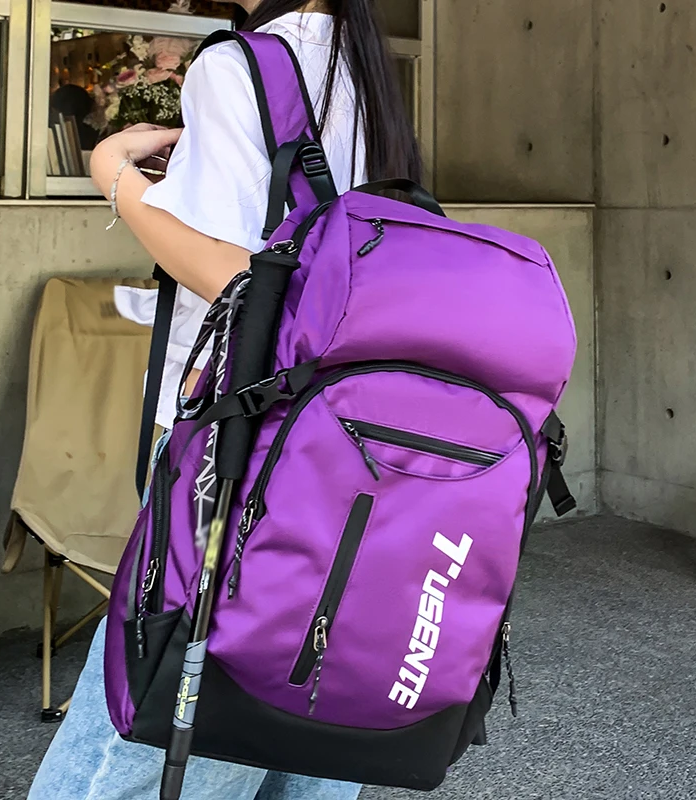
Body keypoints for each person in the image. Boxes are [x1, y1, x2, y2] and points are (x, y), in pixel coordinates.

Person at [27, 1, 420, 799]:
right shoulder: (366, 73)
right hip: (341, 434)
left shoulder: (234, 63)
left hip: (236, 435)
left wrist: (115, 176)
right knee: (307, 706)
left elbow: (242, 282)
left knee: (160, 712)